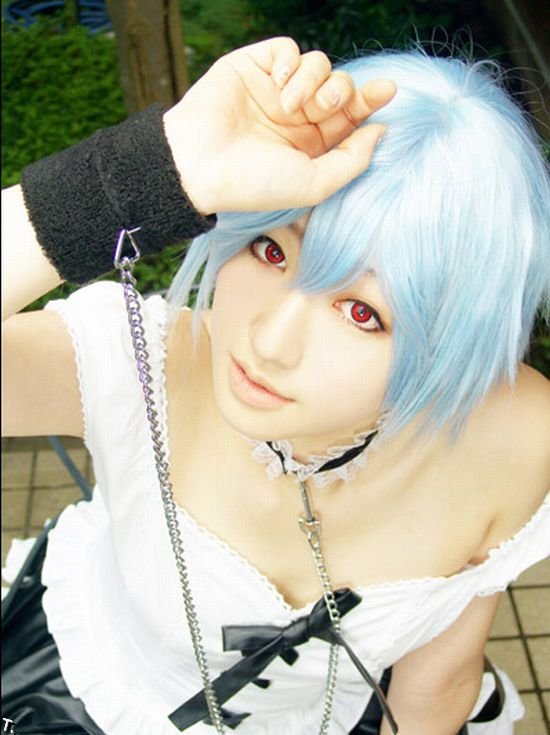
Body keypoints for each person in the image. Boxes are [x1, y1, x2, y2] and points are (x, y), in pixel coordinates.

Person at [2, 35, 549, 735]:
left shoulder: (516, 438)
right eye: (270, 249)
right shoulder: (138, 362)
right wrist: (142, 171)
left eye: (361, 311)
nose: (268, 341)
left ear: (455, 342)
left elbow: (438, 678)